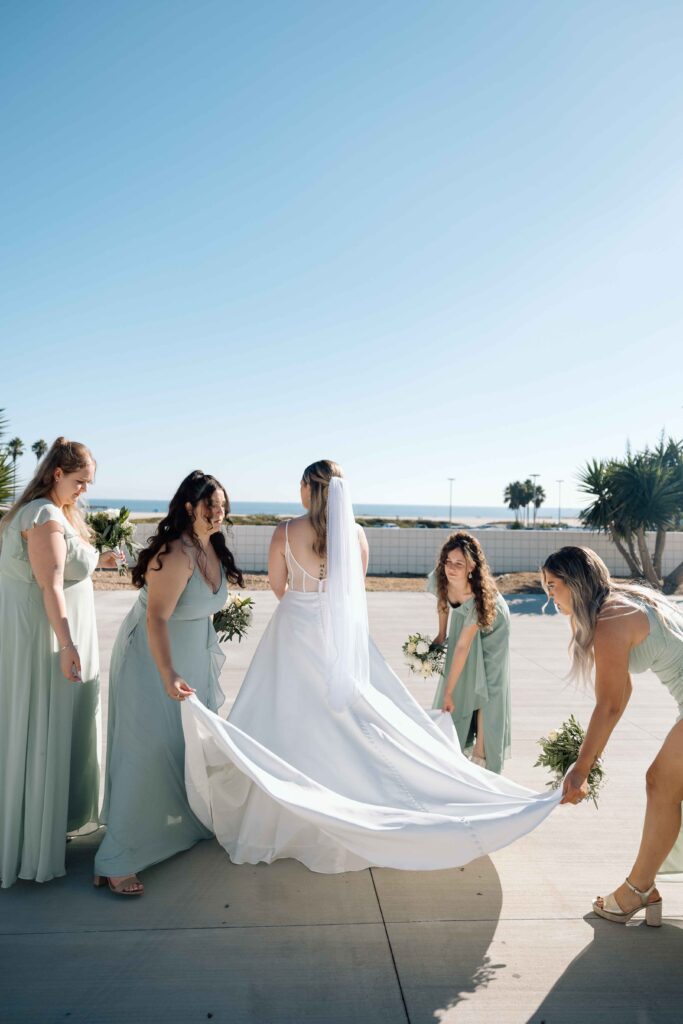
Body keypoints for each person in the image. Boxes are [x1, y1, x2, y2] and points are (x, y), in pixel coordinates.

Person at [181, 460, 560, 875]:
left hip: (293, 633)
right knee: (348, 722)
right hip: (340, 636)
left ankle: (284, 811)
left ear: (309, 487)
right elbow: (352, 591)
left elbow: (278, 586)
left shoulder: (285, 531)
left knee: (285, 717)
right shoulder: (356, 534)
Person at [93, 471, 243, 896]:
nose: (218, 514)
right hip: (153, 660)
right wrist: (167, 673)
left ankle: (171, 827)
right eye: (210, 507)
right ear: (189, 508)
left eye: (223, 507)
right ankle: (116, 859)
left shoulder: (210, 546)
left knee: (180, 747)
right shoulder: (175, 553)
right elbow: (156, 617)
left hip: (190, 656)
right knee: (144, 749)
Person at [543, 546, 683, 926]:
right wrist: (590, 754)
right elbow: (621, 696)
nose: (549, 595)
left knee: (660, 783)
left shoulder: (612, 617)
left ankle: (638, 890)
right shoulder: (622, 603)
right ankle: (643, 888)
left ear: (574, 583)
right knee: (662, 783)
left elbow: (609, 706)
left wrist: (582, 769)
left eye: (553, 585)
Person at [0, 437, 117, 889]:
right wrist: (67, 646)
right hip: (45, 641)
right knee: (41, 728)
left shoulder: (45, 515)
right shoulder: (45, 517)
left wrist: (98, 561)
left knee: (37, 730)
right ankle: (33, 843)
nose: (84, 489)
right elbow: (49, 586)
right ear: (56, 474)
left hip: (42, 636)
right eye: (80, 481)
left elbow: (60, 569)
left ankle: (37, 825)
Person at [427, 532, 511, 773]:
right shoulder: (442, 576)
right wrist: (441, 635)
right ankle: (458, 743)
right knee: (461, 675)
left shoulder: (479, 599)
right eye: (448, 562)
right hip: (463, 621)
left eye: (459, 564)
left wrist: (449, 693)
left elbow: (463, 647)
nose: (451, 569)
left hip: (493, 625)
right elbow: (443, 602)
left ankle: (481, 752)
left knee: (487, 686)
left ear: (472, 567)